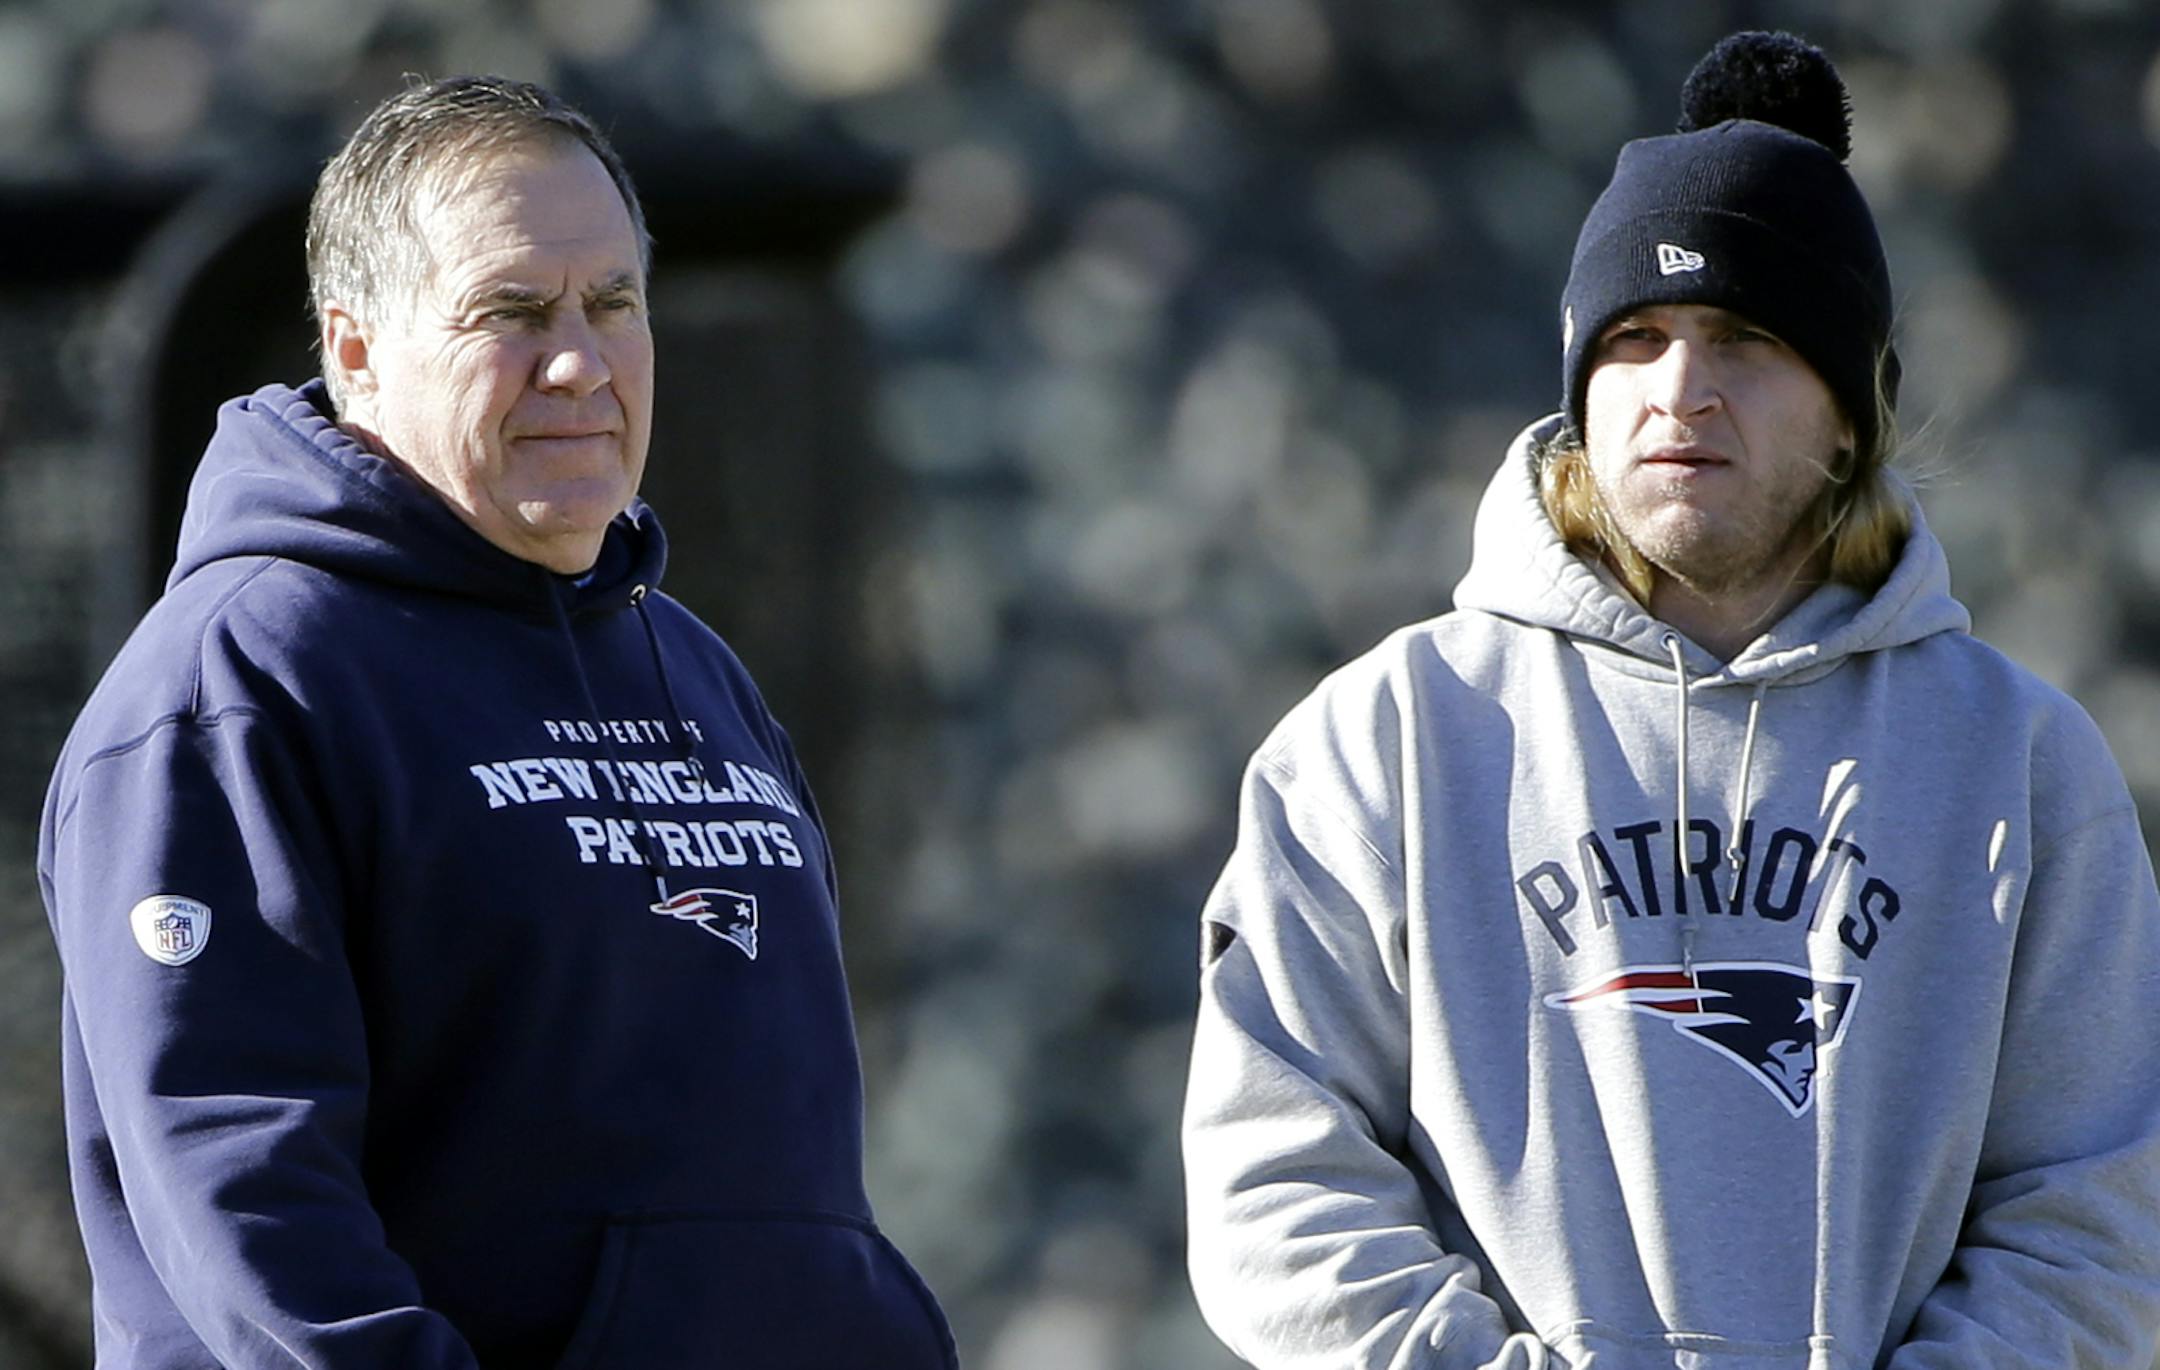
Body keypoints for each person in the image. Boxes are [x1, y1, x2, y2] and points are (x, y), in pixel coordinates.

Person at [1182, 31, 2160, 1370]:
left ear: (1852, 410)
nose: (1680, 392)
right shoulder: (1384, 742)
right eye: (1635, 339)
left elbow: (2099, 1218)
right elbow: (1274, 1183)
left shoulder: (2023, 766)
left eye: (1745, 339)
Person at [39, 75, 955, 1369]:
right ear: (356, 350)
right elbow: (248, 1188)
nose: (580, 362)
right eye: (512, 313)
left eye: (614, 304)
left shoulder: (690, 663)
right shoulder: (232, 686)